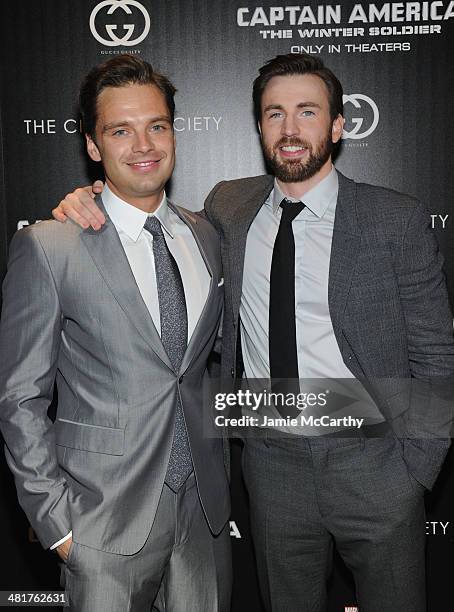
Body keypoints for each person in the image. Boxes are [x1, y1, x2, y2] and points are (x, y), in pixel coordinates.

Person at [53, 53, 454, 612]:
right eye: (274, 114)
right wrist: (90, 197)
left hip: (377, 465)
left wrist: (416, 472)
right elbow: (147, 225)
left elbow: (437, 352)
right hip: (272, 469)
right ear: (260, 127)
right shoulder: (229, 208)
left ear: (338, 126)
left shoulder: (394, 219)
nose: (290, 130)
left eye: (307, 112)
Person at [0, 55, 231, 612]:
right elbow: (19, 397)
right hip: (100, 524)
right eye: (120, 130)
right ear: (93, 147)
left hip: (204, 519)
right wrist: (56, 524)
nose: (144, 144)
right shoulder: (51, 246)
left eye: (157, 125)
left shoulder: (207, 234)